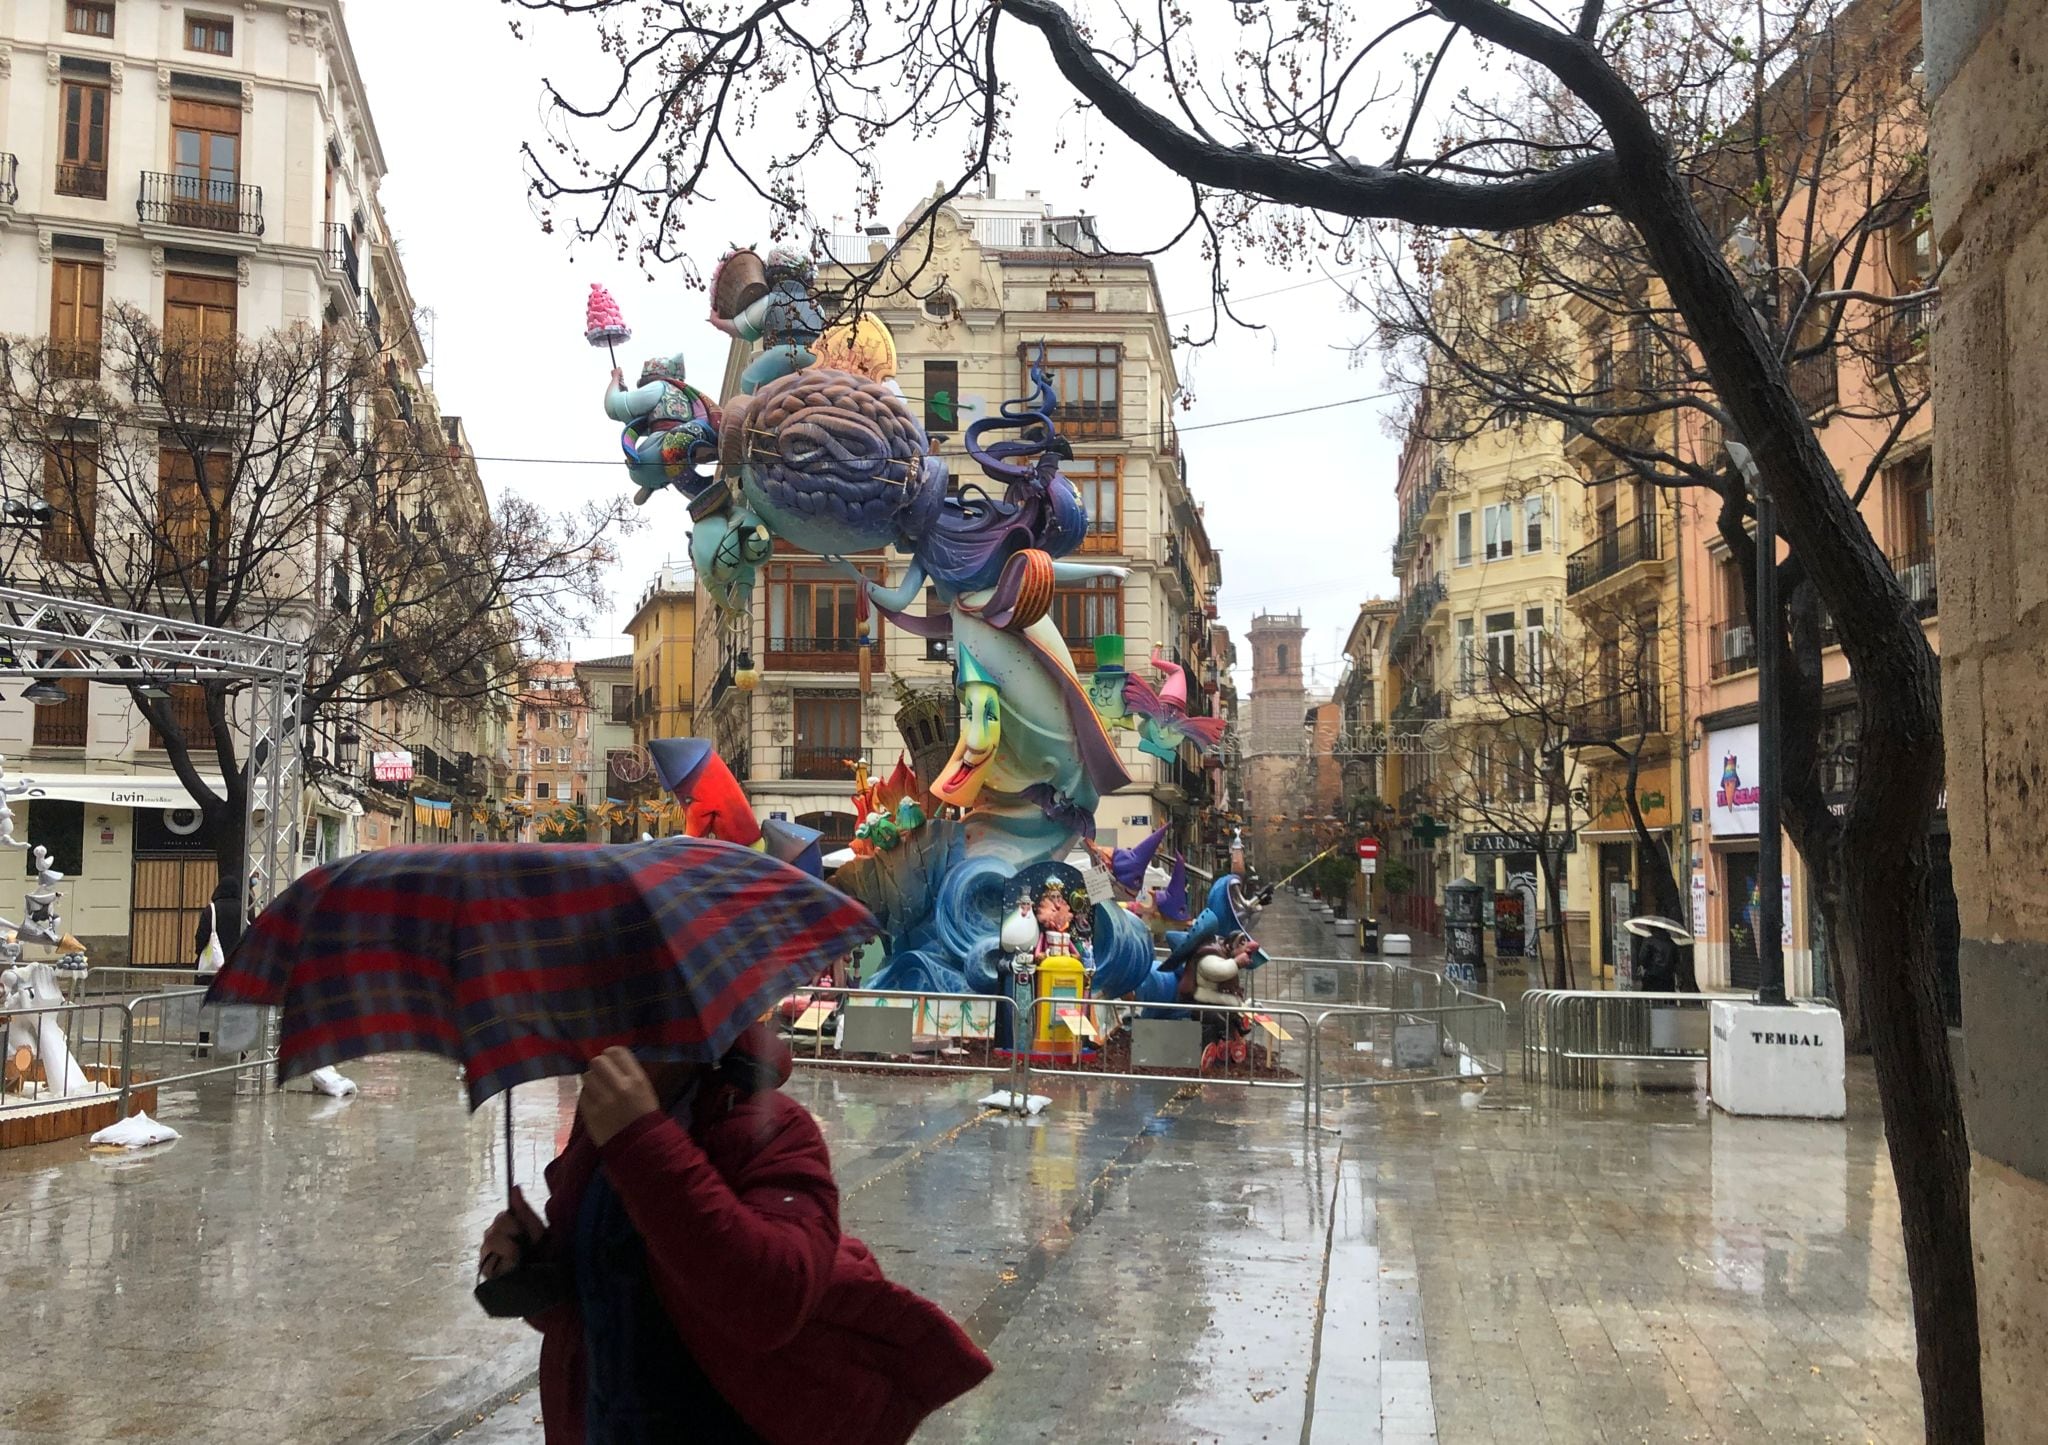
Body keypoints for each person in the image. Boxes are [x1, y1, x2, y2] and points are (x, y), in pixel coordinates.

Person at [478, 1025, 991, 1445]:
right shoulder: (598, 1138)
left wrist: (641, 1138)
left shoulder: (772, 1131)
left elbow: (771, 1300)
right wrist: (535, 1264)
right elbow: (604, 1299)